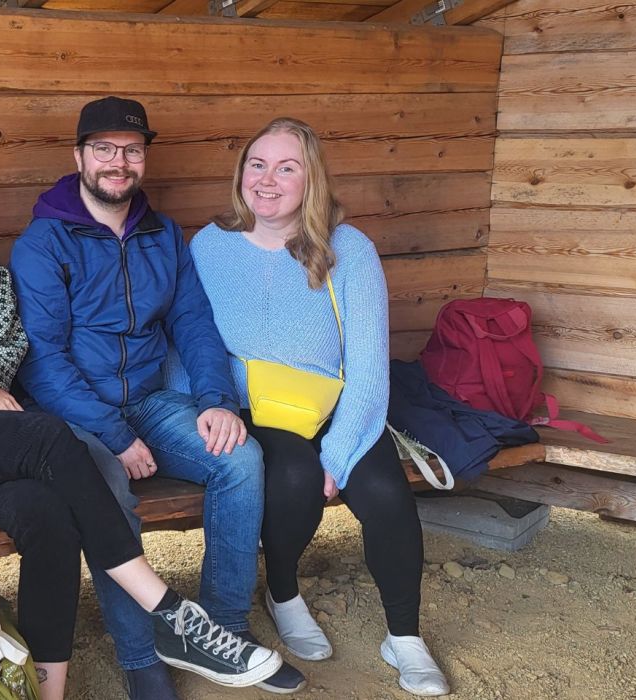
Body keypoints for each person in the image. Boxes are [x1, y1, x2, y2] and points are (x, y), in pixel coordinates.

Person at [0, 107, 283, 700]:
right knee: (48, 436)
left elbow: (5, 350)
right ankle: (171, 614)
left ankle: (50, 692)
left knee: (48, 515)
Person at [9, 96, 306, 699]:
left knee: (239, 459)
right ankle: (141, 653)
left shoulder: (163, 235)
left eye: (131, 150)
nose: (118, 162)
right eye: (103, 149)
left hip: (149, 401)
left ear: (143, 159)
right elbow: (43, 362)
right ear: (79, 157)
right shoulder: (43, 242)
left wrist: (217, 401)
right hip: (75, 417)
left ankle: (221, 628)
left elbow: (194, 324)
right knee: (107, 488)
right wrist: (115, 436)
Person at [174, 116, 451, 696]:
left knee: (385, 493)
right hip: (251, 409)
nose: (267, 180)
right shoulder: (209, 246)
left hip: (333, 407)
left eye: (286, 168)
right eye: (257, 165)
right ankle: (283, 593)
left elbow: (369, 365)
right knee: (294, 476)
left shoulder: (348, 249)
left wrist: (340, 454)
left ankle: (404, 636)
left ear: (311, 180)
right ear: (241, 174)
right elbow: (191, 339)